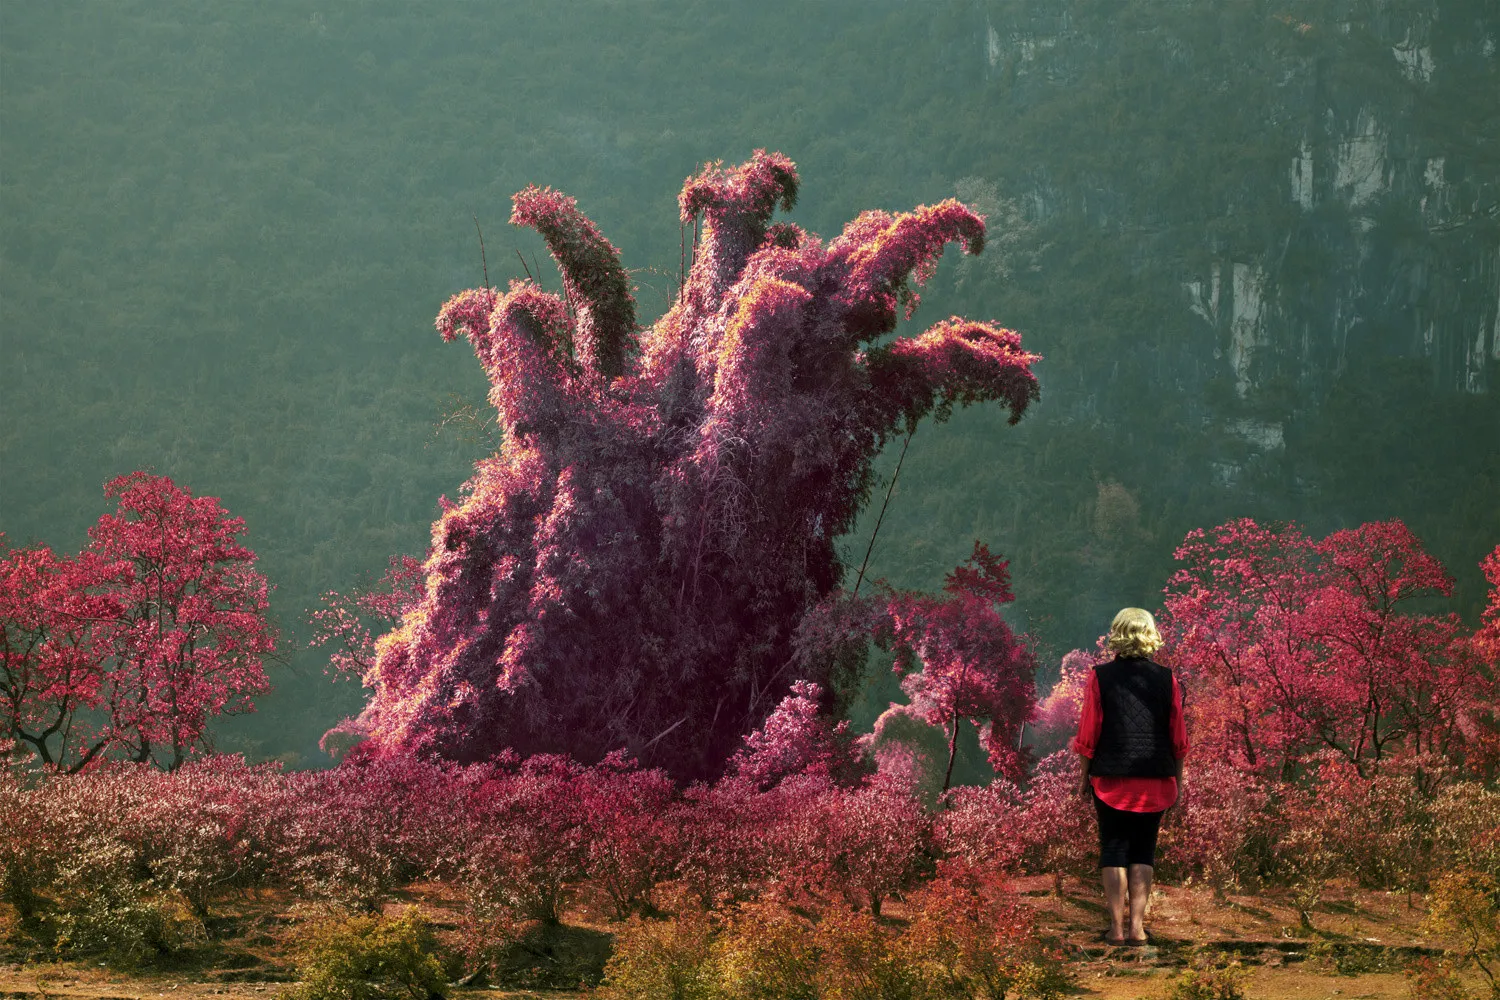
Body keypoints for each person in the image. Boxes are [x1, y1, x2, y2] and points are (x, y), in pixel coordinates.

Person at [1071, 607, 1188, 946]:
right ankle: (1137, 929)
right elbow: (1178, 737)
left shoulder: (1100, 676)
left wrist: (1083, 777)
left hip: (1111, 779)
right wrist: (1177, 782)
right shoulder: (1168, 679)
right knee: (1143, 853)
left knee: (1113, 850)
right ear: (1149, 635)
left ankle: (1116, 931)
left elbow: (1089, 732)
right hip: (1156, 779)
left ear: (1118, 634)